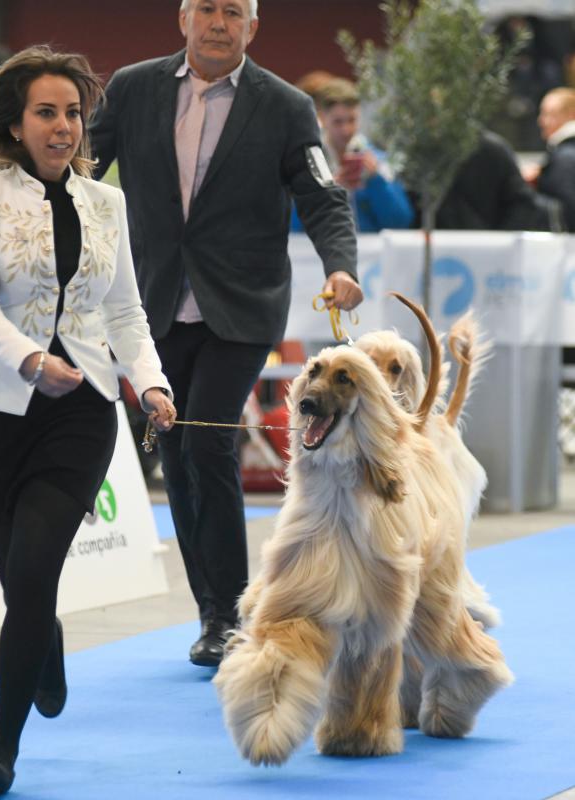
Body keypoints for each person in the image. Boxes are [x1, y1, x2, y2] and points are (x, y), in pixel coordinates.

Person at [89, 0, 362, 668]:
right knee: (174, 451)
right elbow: (81, 172)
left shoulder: (287, 105)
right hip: (154, 302)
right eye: (206, 8)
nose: (218, 21)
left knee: (207, 443)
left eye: (232, 11)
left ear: (252, 28)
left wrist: (341, 267)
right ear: (183, 20)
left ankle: (231, 613)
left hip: (242, 307)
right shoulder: (131, 88)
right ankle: (211, 608)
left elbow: (322, 195)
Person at [0, 45, 176, 794]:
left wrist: (151, 384)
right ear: (15, 125)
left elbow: (126, 311)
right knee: (24, 581)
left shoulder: (108, 203)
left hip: (79, 418)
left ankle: (1, 750)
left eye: (74, 112)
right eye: (47, 112)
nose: (65, 126)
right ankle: (46, 640)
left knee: (35, 569)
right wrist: (28, 361)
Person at [316, 78, 413, 233]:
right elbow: (291, 226)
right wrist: (325, 195)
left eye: (352, 120)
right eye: (337, 122)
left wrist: (376, 180)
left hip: (371, 255)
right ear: (321, 118)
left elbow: (400, 222)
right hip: (315, 255)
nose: (346, 129)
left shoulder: (379, 162)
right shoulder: (307, 163)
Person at [433, 129, 557, 231]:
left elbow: (521, 203)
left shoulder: (491, 148)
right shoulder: (494, 146)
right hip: (488, 245)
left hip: (446, 246)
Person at [532, 87, 575, 232]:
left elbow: (567, 213)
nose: (541, 121)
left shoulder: (565, 157)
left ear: (572, 115)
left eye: (548, 114)